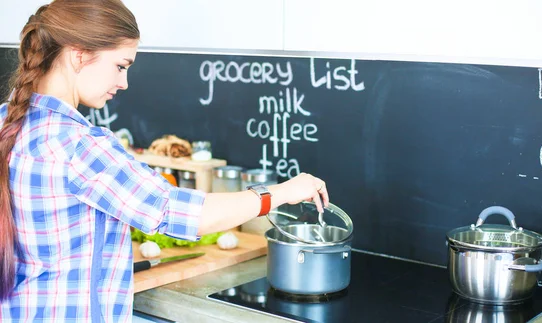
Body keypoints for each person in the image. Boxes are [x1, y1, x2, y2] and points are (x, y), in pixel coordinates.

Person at [0, 1, 329, 322]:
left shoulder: (6, 121)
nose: (124, 82)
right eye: (120, 65)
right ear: (79, 54)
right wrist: (281, 192)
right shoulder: (81, 147)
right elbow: (182, 214)